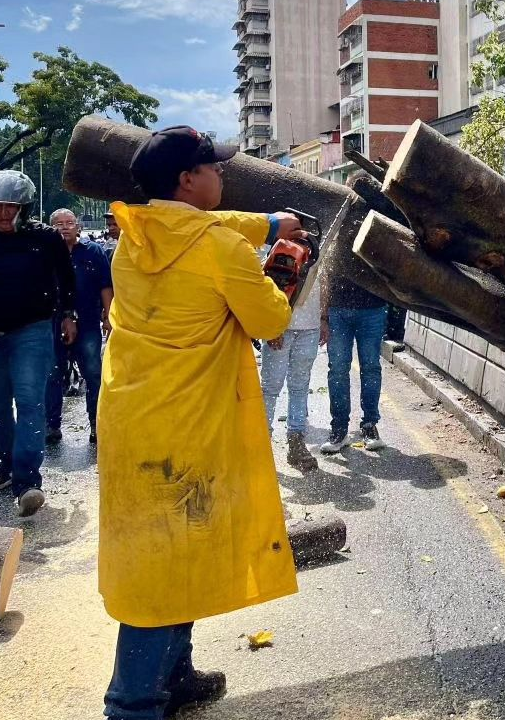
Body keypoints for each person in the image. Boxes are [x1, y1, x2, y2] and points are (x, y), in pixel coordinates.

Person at [97, 126, 305, 719]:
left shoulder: (133, 238)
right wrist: (285, 266)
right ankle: (131, 704)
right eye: (213, 168)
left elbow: (206, 229)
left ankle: (175, 674)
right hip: (188, 430)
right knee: (159, 568)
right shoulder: (220, 250)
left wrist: (268, 225)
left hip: (135, 420)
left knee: (167, 550)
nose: (223, 175)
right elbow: (269, 320)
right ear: (188, 180)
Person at [0, 170, 76, 517]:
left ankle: (27, 482)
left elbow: (66, 277)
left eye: (10, 207)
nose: (3, 213)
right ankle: (4, 469)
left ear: (25, 208)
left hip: (32, 328)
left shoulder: (45, 239)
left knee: (29, 401)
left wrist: (69, 314)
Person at [319, 171, 389, 454]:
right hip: (338, 310)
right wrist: (323, 315)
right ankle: (339, 430)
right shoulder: (338, 216)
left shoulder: (379, 220)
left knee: (371, 367)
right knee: (338, 370)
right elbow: (324, 271)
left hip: (372, 309)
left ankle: (370, 425)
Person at [45, 208, 113, 445]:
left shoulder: (94, 251)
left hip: (89, 321)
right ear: (51, 228)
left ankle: (97, 424)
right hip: (52, 322)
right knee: (52, 373)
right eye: (59, 224)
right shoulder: (45, 252)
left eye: (69, 223)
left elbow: (106, 286)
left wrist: (108, 316)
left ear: (78, 227)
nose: (64, 227)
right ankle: (51, 426)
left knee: (93, 373)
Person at [259, 256, 325, 471]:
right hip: (282, 327)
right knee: (270, 387)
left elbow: (324, 281)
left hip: (310, 327)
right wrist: (271, 324)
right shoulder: (280, 249)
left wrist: (323, 318)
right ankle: (260, 445)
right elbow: (264, 287)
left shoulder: (319, 248)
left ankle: (296, 442)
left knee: (300, 386)